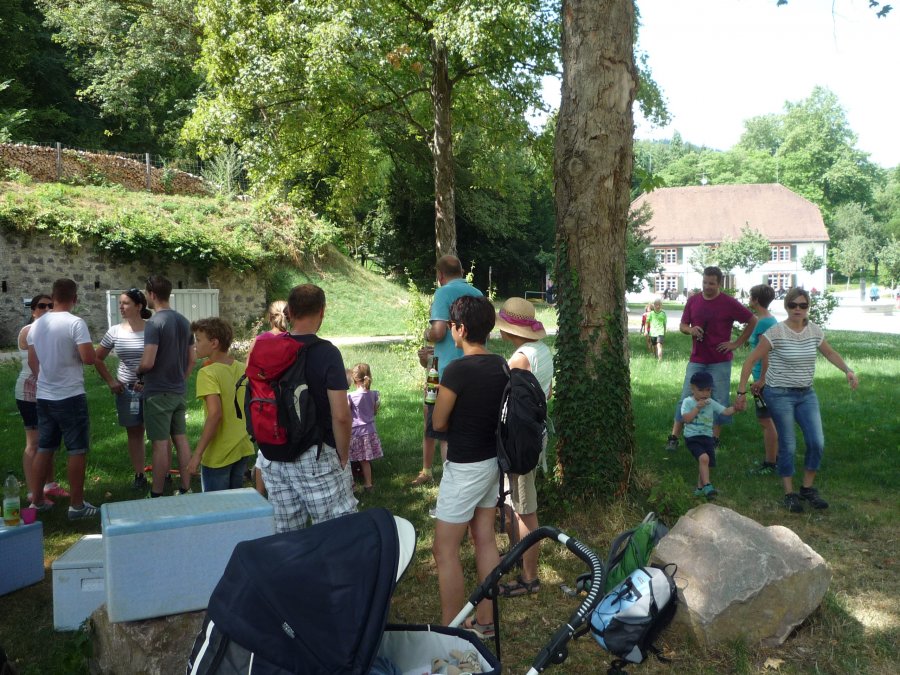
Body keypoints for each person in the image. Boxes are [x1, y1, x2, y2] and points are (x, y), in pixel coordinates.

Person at [736, 287, 859, 513]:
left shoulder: (813, 330)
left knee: (816, 442)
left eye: (803, 305)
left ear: (808, 307)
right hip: (779, 393)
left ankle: (807, 488)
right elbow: (750, 360)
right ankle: (789, 493)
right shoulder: (775, 332)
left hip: (806, 394)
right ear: (786, 306)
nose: (798, 309)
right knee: (789, 444)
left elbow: (830, 353)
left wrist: (847, 370)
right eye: (793, 305)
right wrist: (741, 392)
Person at [431, 295, 507, 637]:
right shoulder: (501, 364)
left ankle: (452, 629)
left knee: (444, 549)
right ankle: (486, 621)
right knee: (484, 538)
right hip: (492, 462)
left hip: (465, 466)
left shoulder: (457, 370)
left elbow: (439, 420)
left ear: (460, 329)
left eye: (451, 325)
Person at [264, 283, 357, 531]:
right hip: (315, 456)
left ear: (290, 312)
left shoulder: (269, 348)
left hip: (273, 456)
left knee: (287, 536)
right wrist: (344, 455)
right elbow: (341, 415)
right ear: (322, 311)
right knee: (336, 533)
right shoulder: (327, 353)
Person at [26, 278, 99, 519]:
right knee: (76, 449)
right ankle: (77, 506)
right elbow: (89, 358)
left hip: (44, 395)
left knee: (45, 447)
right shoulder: (76, 323)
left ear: (54, 296)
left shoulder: (37, 324)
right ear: (74, 298)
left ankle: (37, 501)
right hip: (70, 395)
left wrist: (46, 378)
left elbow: (33, 361)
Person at [495, 297, 552, 598]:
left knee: (524, 510)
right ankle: (517, 556)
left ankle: (530, 577)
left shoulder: (519, 359)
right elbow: (547, 394)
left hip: (519, 440)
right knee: (518, 503)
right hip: (534, 434)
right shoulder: (542, 351)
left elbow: (500, 396)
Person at [664, 267, 756, 452]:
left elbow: (752, 320)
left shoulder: (728, 302)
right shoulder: (693, 300)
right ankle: (674, 437)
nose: (707, 286)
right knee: (686, 396)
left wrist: (736, 343)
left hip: (720, 360)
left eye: (711, 283)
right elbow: (682, 325)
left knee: (719, 398)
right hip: (697, 359)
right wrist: (691, 330)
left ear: (719, 283)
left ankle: (714, 438)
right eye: (704, 282)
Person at [410, 255, 483, 486]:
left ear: (440, 275)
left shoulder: (442, 293)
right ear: (461, 271)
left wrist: (427, 333)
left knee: (436, 423)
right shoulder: (478, 293)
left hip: (442, 374)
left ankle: (440, 477)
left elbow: (439, 331)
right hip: (474, 368)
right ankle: (444, 474)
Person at [137, 275, 196, 497]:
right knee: (181, 439)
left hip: (157, 393)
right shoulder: (184, 321)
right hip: (178, 391)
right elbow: (192, 359)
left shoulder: (154, 323)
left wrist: (138, 371)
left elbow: (148, 362)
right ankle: (186, 487)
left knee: (160, 444)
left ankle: (157, 493)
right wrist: (181, 379)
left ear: (152, 294)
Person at [186, 318, 255, 492]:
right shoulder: (243, 368)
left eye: (198, 340)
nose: (195, 345)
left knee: (215, 505)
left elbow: (215, 414)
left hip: (219, 453)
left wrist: (197, 454)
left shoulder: (207, 373)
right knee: (234, 503)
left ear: (214, 343)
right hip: (242, 446)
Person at [95, 288, 152, 491]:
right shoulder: (115, 331)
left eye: (126, 303)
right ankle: (139, 474)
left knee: (159, 431)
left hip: (153, 388)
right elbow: (97, 358)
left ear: (139, 306)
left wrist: (148, 381)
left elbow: (163, 359)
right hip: (127, 391)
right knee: (134, 432)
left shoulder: (152, 329)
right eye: (120, 303)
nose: (121, 307)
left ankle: (163, 472)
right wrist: (111, 381)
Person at [16, 294, 66, 507]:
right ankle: (32, 491)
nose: (46, 309)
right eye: (41, 306)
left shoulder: (49, 329)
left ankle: (49, 484)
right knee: (34, 443)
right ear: (33, 310)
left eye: (50, 305)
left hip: (48, 391)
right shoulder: (29, 330)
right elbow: (36, 362)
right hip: (30, 392)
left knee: (50, 440)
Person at [248, 300, 288, 495]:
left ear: (269, 318)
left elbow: (249, 372)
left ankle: (260, 495)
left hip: (262, 405)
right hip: (286, 406)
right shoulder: (292, 341)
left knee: (263, 452)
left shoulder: (258, 341)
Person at [681, 371, 736, 500]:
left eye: (708, 390)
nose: (705, 394)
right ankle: (707, 485)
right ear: (692, 389)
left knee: (706, 462)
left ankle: (700, 489)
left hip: (707, 437)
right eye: (701, 390)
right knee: (704, 458)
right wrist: (697, 408)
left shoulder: (710, 402)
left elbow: (725, 411)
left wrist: (736, 408)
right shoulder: (687, 402)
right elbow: (686, 419)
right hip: (692, 437)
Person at [746, 284, 779, 476]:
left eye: (750, 296)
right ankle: (776, 457)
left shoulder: (764, 323)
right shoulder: (768, 320)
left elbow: (766, 354)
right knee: (770, 420)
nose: (749, 299)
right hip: (765, 377)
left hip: (763, 379)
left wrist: (761, 380)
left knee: (766, 421)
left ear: (756, 299)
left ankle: (770, 463)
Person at [347, 363, 384, 492]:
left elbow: (346, 414)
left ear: (354, 379)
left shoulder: (350, 396)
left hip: (356, 433)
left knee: (349, 459)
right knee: (365, 460)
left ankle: (351, 484)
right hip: (370, 431)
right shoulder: (374, 394)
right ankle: (368, 484)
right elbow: (374, 411)